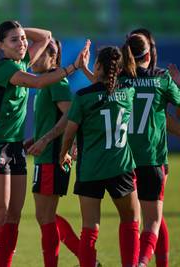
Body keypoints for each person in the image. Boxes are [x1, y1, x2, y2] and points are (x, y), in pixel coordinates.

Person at [0, 20, 86, 267]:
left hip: (15, 148)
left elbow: (46, 34)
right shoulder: (3, 68)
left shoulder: (21, 61)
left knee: (13, 216)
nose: (22, 43)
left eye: (23, 38)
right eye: (13, 40)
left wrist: (18, 28)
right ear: (0, 45)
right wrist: (73, 67)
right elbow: (38, 82)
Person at [60, 46, 140, 267]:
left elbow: (69, 133)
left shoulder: (82, 97)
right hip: (120, 166)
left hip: (90, 169)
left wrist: (64, 153)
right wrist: (89, 70)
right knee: (131, 221)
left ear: (98, 66)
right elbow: (106, 89)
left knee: (90, 228)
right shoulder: (128, 92)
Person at [120, 33, 180, 267]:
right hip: (153, 158)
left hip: (123, 161)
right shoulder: (162, 79)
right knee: (153, 221)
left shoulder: (120, 80)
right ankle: (142, 263)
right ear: (149, 53)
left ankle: (132, 262)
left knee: (130, 220)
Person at [25, 38, 82, 266]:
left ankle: (82, 257)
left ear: (53, 57)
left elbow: (70, 116)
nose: (33, 59)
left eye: (38, 55)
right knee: (46, 217)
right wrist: (34, 139)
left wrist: (47, 139)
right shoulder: (44, 83)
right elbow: (55, 119)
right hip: (45, 156)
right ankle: (87, 257)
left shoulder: (57, 82)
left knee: (45, 217)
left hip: (53, 157)